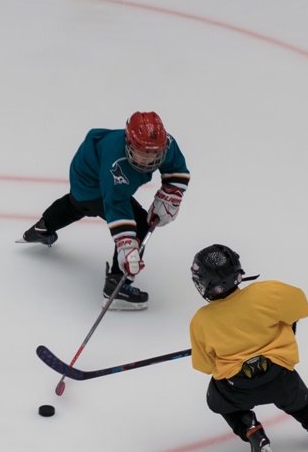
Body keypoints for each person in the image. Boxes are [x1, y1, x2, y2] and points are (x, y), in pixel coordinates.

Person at [188, 244, 308, 452]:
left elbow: (205, 365)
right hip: (279, 376)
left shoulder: (201, 321)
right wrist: (284, 326)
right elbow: (300, 306)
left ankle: (250, 429)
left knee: (217, 399)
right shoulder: (267, 292)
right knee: (297, 400)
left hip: (237, 387)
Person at [19, 111, 190, 310]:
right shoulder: (117, 166)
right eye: (143, 154)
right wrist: (127, 246)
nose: (149, 161)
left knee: (75, 205)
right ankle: (117, 287)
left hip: (93, 161)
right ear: (129, 144)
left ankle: (42, 228)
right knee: (138, 224)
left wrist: (170, 195)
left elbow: (176, 169)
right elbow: (115, 205)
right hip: (89, 180)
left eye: (155, 154)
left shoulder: (164, 143)